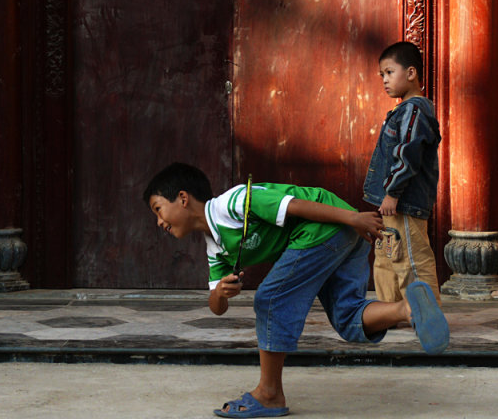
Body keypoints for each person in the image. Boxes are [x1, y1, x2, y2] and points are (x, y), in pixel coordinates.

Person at [143, 162, 448, 418]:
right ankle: (406, 308)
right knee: (346, 316)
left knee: (270, 299)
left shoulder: (233, 203)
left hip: (331, 223)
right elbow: (216, 306)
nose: (158, 222)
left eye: (158, 209)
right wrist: (220, 293)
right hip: (343, 229)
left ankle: (269, 394)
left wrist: (353, 218)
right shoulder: (216, 247)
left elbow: (296, 206)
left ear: (182, 198)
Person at [364, 41, 443, 305]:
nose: (384, 80)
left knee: (411, 257)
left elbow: (407, 155)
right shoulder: (403, 110)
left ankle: (425, 313)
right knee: (387, 256)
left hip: (404, 204)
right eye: (382, 75)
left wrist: (393, 192)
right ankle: (391, 310)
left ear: (411, 73)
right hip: (392, 206)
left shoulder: (414, 110)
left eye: (389, 72)